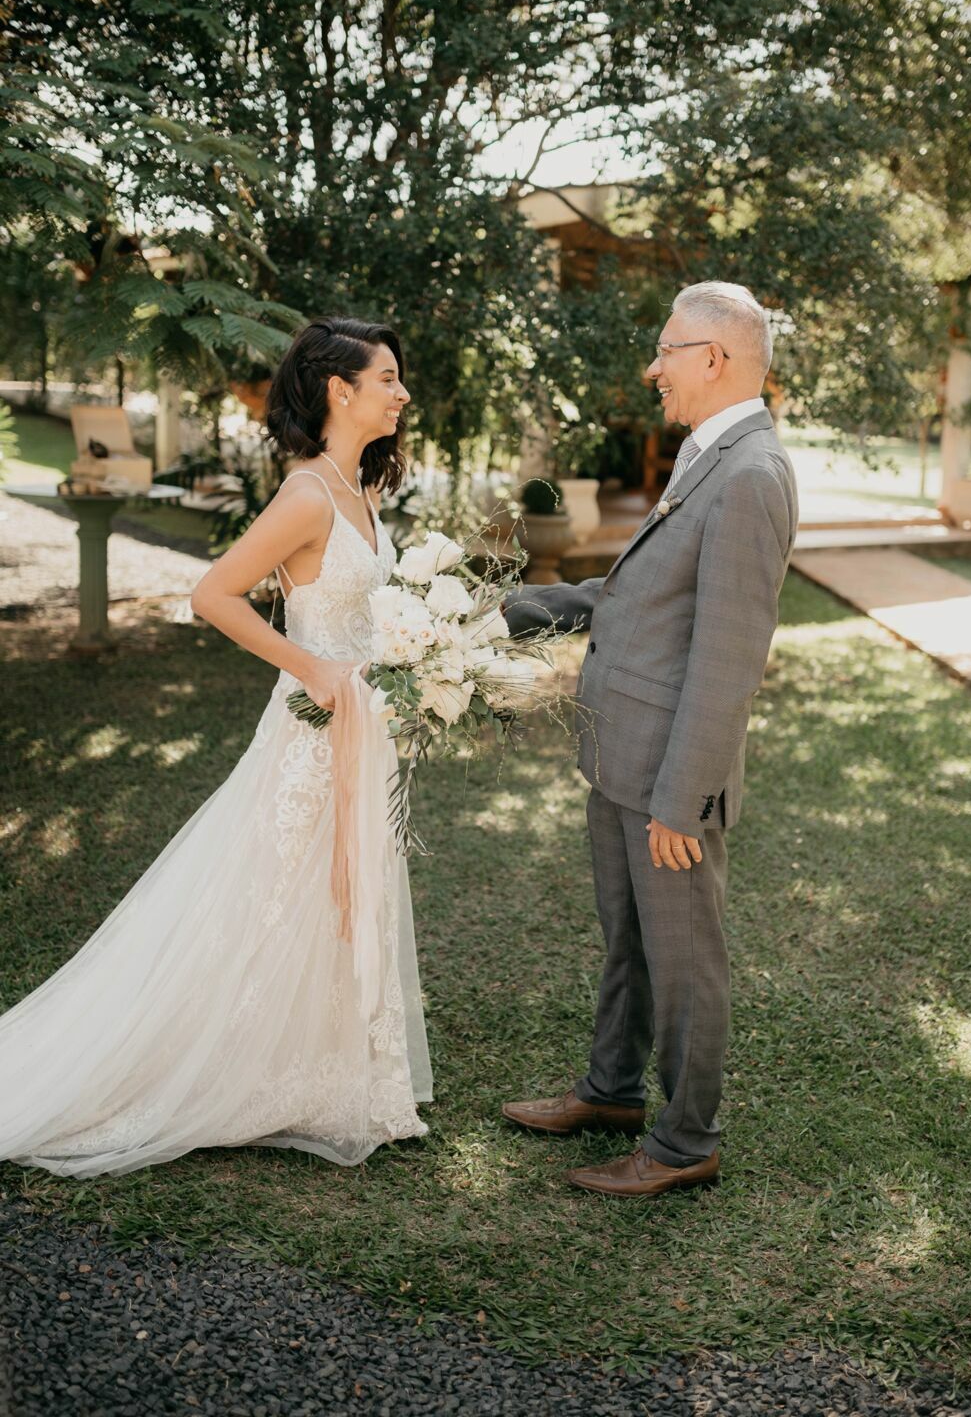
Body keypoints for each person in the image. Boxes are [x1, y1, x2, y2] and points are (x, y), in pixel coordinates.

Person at [0, 319, 432, 1178]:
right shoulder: (308, 493)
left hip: (361, 726)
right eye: (387, 378)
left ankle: (331, 1068)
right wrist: (312, 667)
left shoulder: (361, 489)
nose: (402, 392)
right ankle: (221, 1066)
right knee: (270, 894)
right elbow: (212, 593)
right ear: (340, 391)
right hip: (311, 734)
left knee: (332, 894)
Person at [502, 281, 798, 1198]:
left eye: (666, 349)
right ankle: (612, 1092)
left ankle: (683, 1144)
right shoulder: (707, 453)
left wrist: (683, 797)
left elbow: (728, 657)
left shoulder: (751, 474)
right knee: (627, 941)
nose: (653, 367)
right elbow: (652, 601)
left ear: (713, 358)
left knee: (683, 960)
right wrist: (524, 608)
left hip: (668, 775)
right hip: (621, 753)